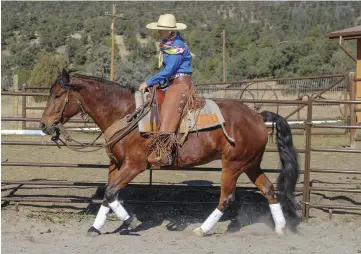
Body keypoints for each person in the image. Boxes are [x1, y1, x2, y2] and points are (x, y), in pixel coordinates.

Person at [138, 14, 193, 166]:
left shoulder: (177, 47)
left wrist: (149, 81)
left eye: (161, 30)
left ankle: (165, 151)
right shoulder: (169, 44)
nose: (158, 32)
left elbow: (169, 70)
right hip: (171, 83)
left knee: (170, 105)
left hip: (181, 84)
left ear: (169, 31)